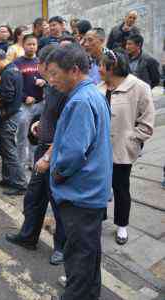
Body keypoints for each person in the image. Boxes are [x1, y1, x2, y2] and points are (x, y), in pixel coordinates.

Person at [47, 44, 112, 300]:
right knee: (89, 254)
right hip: (91, 191)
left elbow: (73, 153)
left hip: (81, 193)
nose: (51, 81)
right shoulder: (92, 94)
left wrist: (58, 173)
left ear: (74, 70)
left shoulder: (81, 101)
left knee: (78, 257)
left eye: (54, 74)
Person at [5, 44, 67, 265]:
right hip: (43, 146)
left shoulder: (63, 88)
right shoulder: (50, 86)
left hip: (55, 151)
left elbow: (66, 125)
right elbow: (50, 115)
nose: (37, 66)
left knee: (57, 201)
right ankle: (28, 236)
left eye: (41, 62)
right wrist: (39, 124)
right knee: (33, 197)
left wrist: (49, 155)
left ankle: (61, 247)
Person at [98, 49, 155, 245]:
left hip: (122, 150)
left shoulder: (139, 87)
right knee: (100, 186)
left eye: (101, 65)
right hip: (99, 150)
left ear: (111, 68)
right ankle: (99, 218)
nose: (98, 69)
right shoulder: (99, 88)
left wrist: (132, 139)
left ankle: (122, 225)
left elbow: (147, 123)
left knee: (120, 188)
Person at [0, 50, 27, 195]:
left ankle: (20, 184)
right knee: (4, 149)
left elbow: (7, 96)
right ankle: (7, 178)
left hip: (10, 115)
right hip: (13, 113)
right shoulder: (15, 69)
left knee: (9, 150)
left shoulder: (8, 73)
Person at [14, 34, 44, 171]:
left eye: (34, 44)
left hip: (39, 104)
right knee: (22, 135)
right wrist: (24, 97)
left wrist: (44, 82)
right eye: (29, 44)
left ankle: (34, 162)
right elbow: (13, 86)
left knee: (36, 134)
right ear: (23, 45)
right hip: (24, 105)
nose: (31, 47)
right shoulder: (17, 63)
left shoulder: (40, 62)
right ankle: (20, 164)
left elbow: (50, 78)